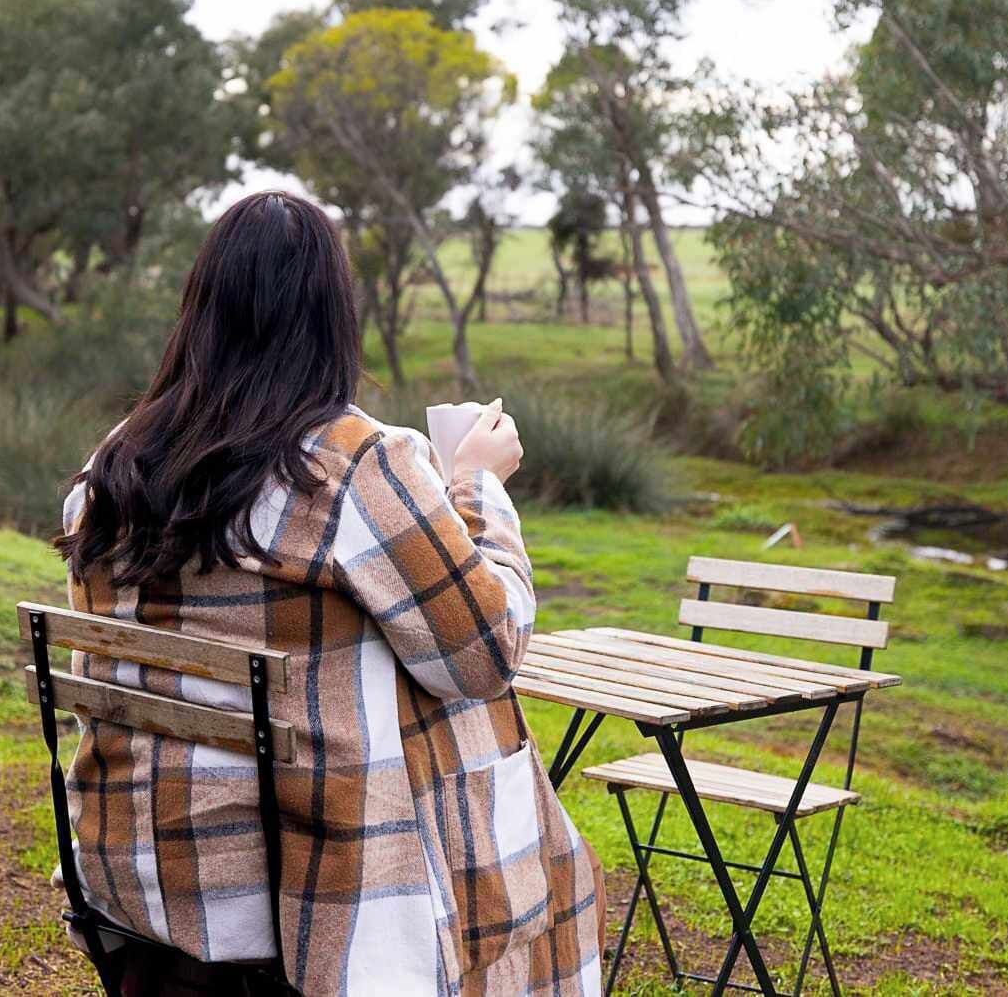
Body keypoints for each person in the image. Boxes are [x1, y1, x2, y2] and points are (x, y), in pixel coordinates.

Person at [53, 191, 604, 997]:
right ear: (331, 317)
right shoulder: (352, 465)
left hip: (140, 872)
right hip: (306, 896)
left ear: (199, 310)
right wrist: (478, 488)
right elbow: (484, 654)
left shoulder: (113, 466)